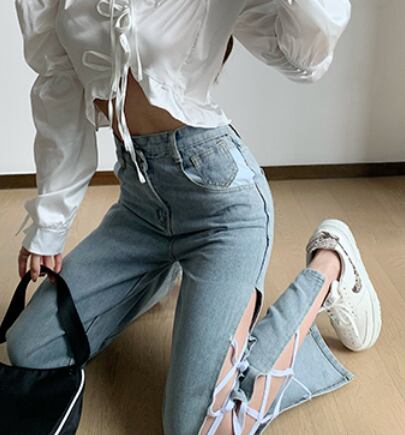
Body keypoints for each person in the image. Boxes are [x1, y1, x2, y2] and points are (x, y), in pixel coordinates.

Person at [7, 0, 382, 434]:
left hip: (219, 206)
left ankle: (332, 266)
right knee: (31, 348)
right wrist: (49, 225)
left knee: (194, 428)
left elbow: (305, 59)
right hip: (141, 203)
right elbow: (58, 84)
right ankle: (166, 275)